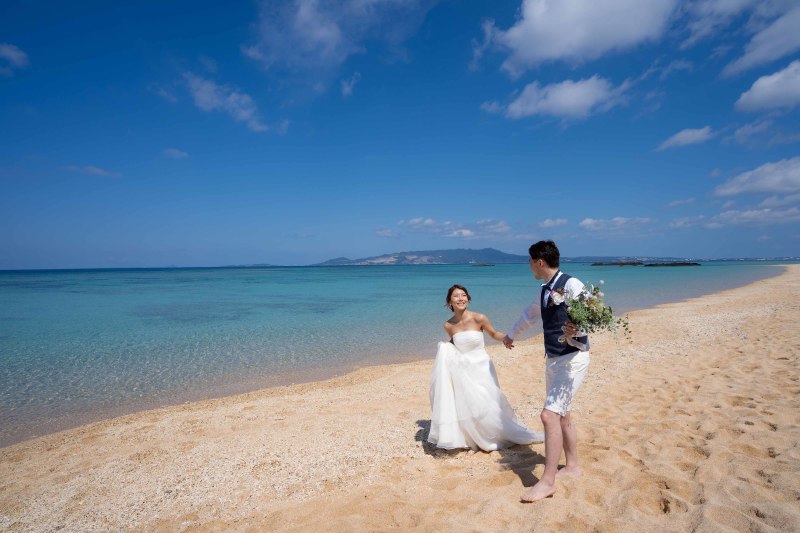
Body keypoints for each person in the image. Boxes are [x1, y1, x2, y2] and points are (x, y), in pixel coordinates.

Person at [502, 240, 590, 502]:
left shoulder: (573, 285)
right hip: (553, 359)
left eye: (530, 261)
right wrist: (510, 335)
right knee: (562, 415)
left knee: (548, 416)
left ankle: (547, 481)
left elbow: (591, 317)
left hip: (573, 358)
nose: (529, 266)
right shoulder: (543, 290)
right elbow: (529, 316)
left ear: (539, 262)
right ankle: (572, 466)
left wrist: (579, 329)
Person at [428, 284, 543, 452]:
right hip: (464, 370)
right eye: (456, 296)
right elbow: (454, 346)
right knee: (468, 403)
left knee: (488, 401)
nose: (460, 298)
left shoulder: (479, 318)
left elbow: (494, 333)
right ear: (449, 302)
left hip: (482, 366)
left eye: (463, 295)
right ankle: (475, 437)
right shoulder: (448, 325)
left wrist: (508, 336)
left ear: (468, 298)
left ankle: (495, 434)